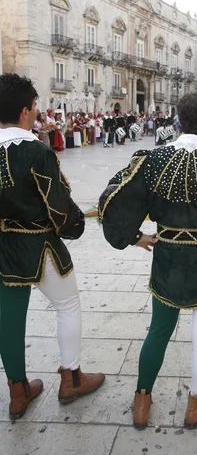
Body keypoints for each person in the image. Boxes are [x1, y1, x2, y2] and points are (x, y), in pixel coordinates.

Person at [99, 92, 197, 430]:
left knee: (158, 329)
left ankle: (142, 399)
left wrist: (133, 236)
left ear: (179, 119)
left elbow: (113, 199)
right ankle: (195, 404)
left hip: (169, 257)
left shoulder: (153, 159)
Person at [0, 73, 105, 422]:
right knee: (67, 305)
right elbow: (59, 209)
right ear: (27, 111)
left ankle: (18, 393)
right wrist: (76, 224)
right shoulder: (36, 151)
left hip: (2, 247)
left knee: (9, 320)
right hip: (39, 246)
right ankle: (71, 378)